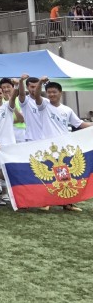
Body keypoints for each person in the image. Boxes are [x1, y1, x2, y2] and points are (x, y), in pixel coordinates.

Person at [44, 81, 92, 212]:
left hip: (63, 148)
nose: (51, 94)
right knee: (47, 176)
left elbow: (80, 124)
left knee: (64, 176)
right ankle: (46, 202)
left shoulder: (67, 110)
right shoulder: (43, 105)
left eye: (54, 92)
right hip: (47, 148)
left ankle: (67, 203)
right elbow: (36, 95)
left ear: (61, 93)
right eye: (49, 92)